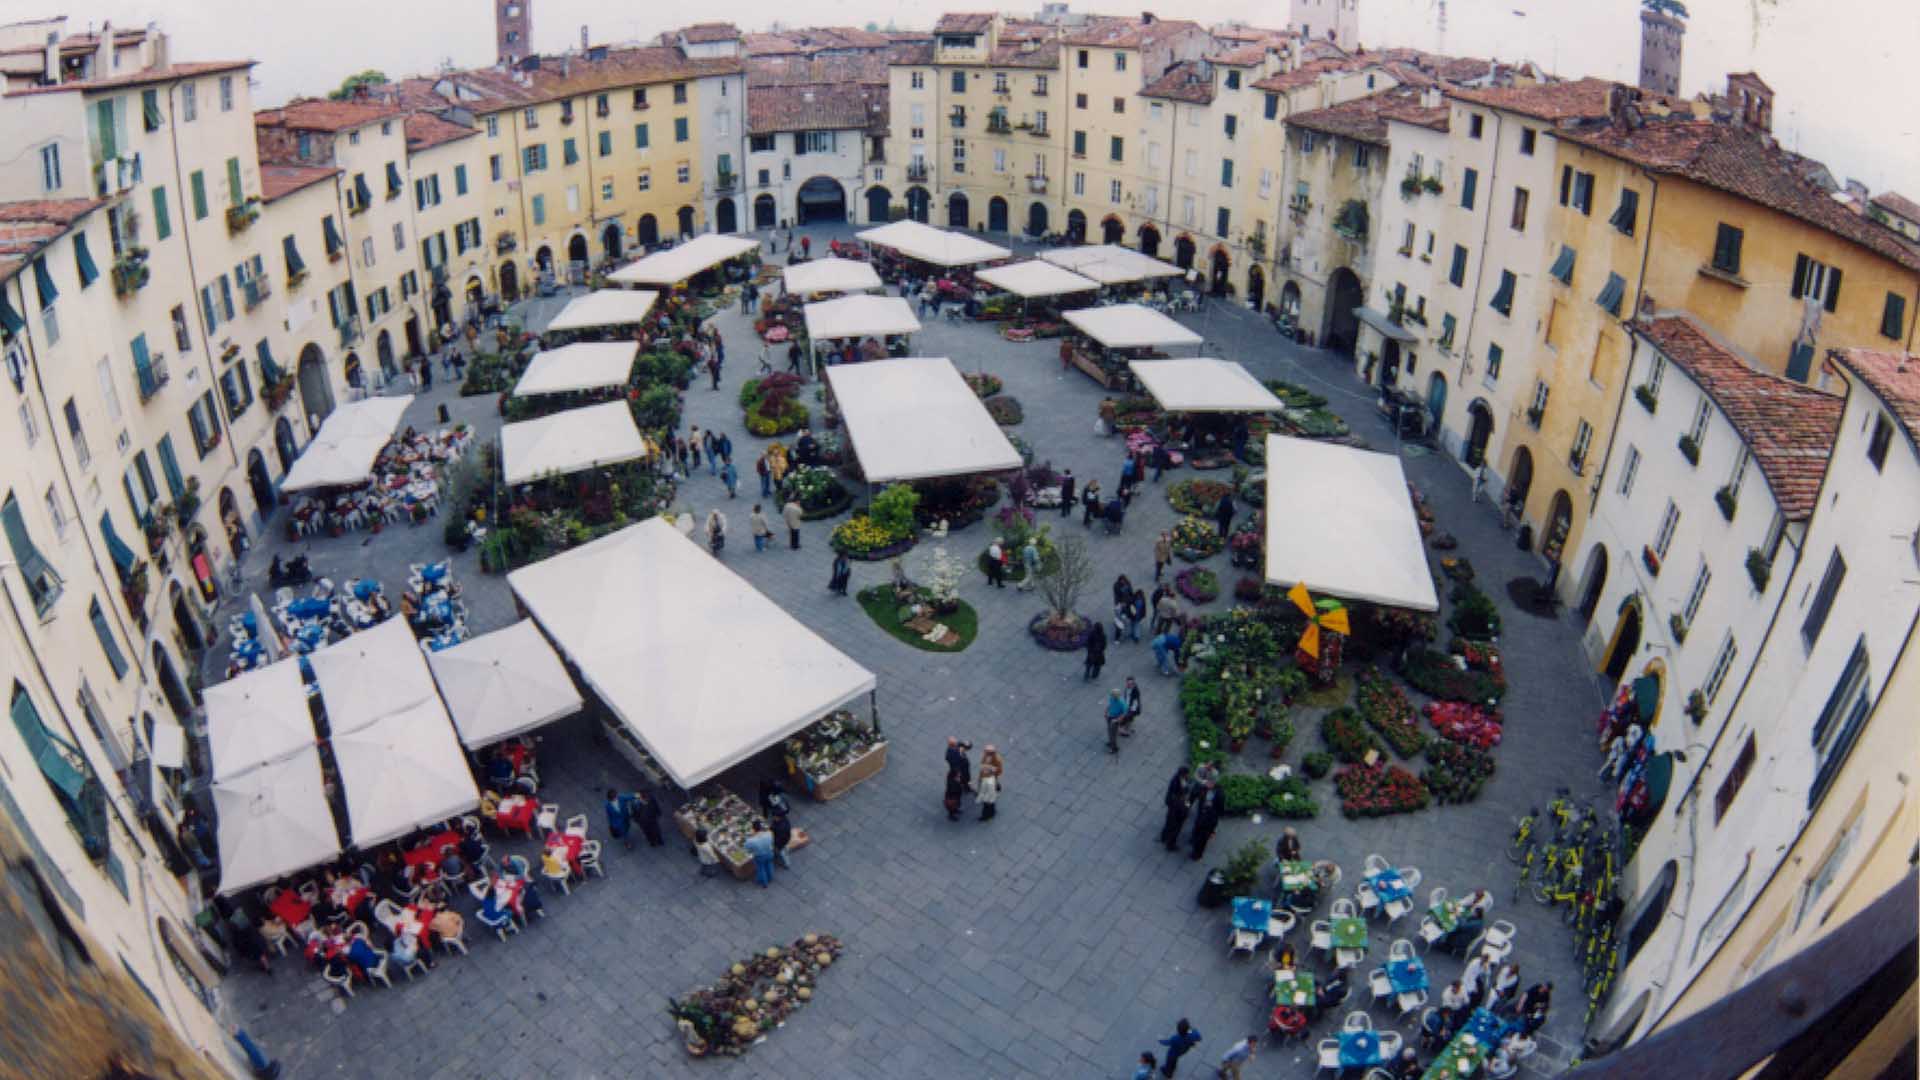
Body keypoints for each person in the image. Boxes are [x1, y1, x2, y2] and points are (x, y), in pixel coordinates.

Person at [1189, 778, 1224, 861]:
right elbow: (1196, 794)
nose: (1206, 784)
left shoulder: (1219, 794)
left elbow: (1219, 811)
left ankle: (1197, 855)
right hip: (1202, 815)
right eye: (1207, 782)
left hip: (1207, 823)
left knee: (1202, 841)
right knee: (1197, 828)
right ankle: (1193, 840)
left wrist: (1212, 831)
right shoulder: (1205, 789)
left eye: (1209, 783)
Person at [1159, 766, 1192, 850]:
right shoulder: (1175, 782)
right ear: (1183, 774)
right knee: (1174, 827)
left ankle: (1164, 837)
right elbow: (1176, 797)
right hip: (1176, 809)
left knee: (1169, 823)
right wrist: (1185, 806)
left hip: (1177, 806)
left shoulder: (1182, 779)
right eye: (1187, 774)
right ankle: (1170, 844)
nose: (1188, 775)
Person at [743, 821, 776, 887]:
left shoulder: (750, 841)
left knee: (761, 869)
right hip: (769, 853)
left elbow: (747, 850)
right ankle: (771, 877)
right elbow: (772, 842)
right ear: (761, 828)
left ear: (753, 829)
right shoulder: (769, 834)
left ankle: (765, 883)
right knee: (769, 864)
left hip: (760, 857)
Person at [976, 746, 1003, 821]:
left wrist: (991, 771)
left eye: (986, 752)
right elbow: (982, 767)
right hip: (985, 779)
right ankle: (992, 811)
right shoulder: (985, 757)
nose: (984, 753)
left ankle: (986, 816)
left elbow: (999, 771)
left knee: (987, 801)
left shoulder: (997, 760)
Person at [769, 805, 794, 869]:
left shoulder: (782, 827)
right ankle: (781, 852)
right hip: (784, 839)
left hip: (782, 842)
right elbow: (774, 825)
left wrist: (774, 843)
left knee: (783, 854)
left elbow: (779, 839)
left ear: (778, 817)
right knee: (783, 850)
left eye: (773, 816)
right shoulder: (782, 819)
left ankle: (787, 864)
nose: (772, 817)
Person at [1112, 575, 1136, 640]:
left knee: (1125, 612)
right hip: (1119, 602)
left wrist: (1130, 599)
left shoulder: (1128, 584)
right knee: (1118, 612)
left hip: (1126, 601)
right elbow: (1117, 595)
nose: (1123, 582)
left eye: (1124, 581)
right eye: (1122, 581)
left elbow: (1131, 592)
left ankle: (1123, 617)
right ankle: (1118, 620)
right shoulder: (1116, 585)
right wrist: (1120, 602)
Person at [1104, 688, 1127, 753]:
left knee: (1113, 734)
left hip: (1115, 719)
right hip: (1110, 716)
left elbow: (1124, 713)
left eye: (1113, 695)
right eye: (1112, 695)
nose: (1111, 696)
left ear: (1117, 696)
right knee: (1109, 730)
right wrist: (1106, 711)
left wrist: (1117, 720)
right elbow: (1110, 704)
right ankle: (1111, 742)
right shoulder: (1112, 698)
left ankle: (1114, 748)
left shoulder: (1122, 703)